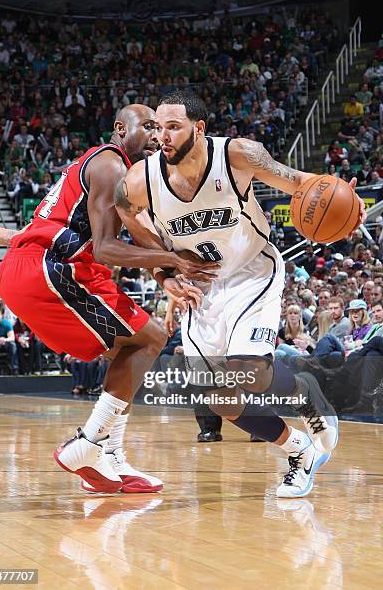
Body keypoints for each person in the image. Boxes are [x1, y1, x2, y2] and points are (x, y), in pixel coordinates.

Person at [115, 91, 365, 497]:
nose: (163, 136)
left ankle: (304, 392)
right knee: (220, 399)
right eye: (158, 128)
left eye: (173, 127)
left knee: (249, 373)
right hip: (203, 290)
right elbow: (127, 213)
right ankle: (298, 447)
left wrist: (346, 200)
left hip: (253, 272)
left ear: (199, 128)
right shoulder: (140, 180)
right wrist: (165, 273)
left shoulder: (238, 155)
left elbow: (302, 183)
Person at [0, 104, 214, 495]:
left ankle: (111, 458)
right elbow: (105, 248)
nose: (157, 135)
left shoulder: (123, 174)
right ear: (121, 129)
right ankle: (87, 444)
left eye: (161, 128)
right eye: (149, 126)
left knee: (129, 356)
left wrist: (165, 276)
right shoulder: (111, 164)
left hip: (40, 267)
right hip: (51, 268)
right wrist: (172, 260)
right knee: (151, 338)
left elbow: (137, 235)